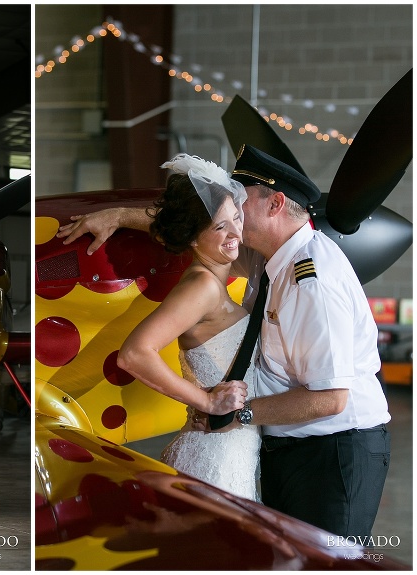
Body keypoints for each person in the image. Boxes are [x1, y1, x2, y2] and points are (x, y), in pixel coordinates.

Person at [58, 145, 391, 539]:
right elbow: (198, 227)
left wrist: (234, 413)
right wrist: (119, 216)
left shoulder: (308, 279)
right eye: (226, 213)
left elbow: (330, 398)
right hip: (273, 447)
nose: (234, 216)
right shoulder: (269, 258)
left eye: (240, 204)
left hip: (330, 452)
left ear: (275, 204)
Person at [115, 154, 257, 500]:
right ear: (193, 238)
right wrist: (206, 402)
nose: (236, 232)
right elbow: (133, 354)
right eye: (220, 226)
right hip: (217, 454)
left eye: (236, 218)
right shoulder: (202, 287)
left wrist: (118, 216)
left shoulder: (219, 273)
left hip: (232, 448)